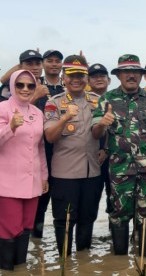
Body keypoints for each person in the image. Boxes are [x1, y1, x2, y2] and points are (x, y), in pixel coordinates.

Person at [91, 54, 146, 257]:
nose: (131, 75)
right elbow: (95, 133)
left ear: (141, 75)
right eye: (126, 72)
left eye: (135, 71)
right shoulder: (106, 99)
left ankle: (145, 261)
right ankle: (120, 262)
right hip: (120, 169)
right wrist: (102, 123)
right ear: (119, 75)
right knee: (119, 214)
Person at [44, 55, 102, 256]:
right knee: (64, 220)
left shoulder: (97, 101)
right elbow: (50, 136)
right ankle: (64, 263)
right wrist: (65, 118)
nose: (76, 79)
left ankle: (84, 262)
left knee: (88, 217)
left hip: (91, 172)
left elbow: (104, 135)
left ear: (86, 78)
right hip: (64, 174)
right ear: (64, 78)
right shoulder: (54, 103)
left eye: (80, 75)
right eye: (71, 76)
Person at [0, 70, 48, 271]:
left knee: (27, 225)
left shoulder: (37, 113)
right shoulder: (2, 108)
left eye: (30, 85)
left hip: (33, 180)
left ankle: (20, 268)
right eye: (20, 85)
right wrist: (10, 127)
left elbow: (40, 147)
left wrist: (44, 176)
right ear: (12, 86)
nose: (25, 89)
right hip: (7, 181)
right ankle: (6, 269)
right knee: (10, 227)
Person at [32, 49, 65, 239]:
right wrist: (35, 94)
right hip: (39, 153)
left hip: (62, 154)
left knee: (61, 202)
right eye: (49, 60)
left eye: (57, 61)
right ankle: (36, 243)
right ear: (43, 64)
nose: (54, 64)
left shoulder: (67, 88)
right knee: (39, 203)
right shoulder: (33, 85)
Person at [88, 63, 113, 216]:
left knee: (114, 200)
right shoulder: (81, 100)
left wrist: (106, 149)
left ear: (109, 80)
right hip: (90, 158)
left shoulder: (115, 99)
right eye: (94, 76)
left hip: (113, 158)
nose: (99, 79)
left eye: (102, 76)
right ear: (88, 80)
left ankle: (113, 237)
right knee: (90, 201)